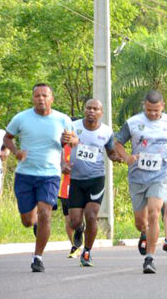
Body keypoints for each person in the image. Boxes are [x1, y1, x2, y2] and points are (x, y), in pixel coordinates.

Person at [1, 84, 75, 272]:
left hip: (50, 174)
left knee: (45, 214)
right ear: (32, 98)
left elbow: (74, 140)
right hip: (25, 174)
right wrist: (16, 151)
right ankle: (32, 218)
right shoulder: (21, 118)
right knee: (27, 221)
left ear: (52, 98)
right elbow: (7, 138)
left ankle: (38, 257)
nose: (41, 99)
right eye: (37, 96)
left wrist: (70, 140)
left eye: (44, 95)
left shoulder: (62, 119)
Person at [114, 90, 167, 274]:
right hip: (137, 176)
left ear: (163, 107)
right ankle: (144, 233)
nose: (153, 114)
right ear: (144, 106)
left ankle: (150, 258)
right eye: (149, 110)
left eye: (156, 110)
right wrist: (127, 157)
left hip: (160, 175)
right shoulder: (133, 122)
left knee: (154, 213)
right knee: (140, 222)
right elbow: (117, 143)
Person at [64, 99, 115, 267]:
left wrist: (120, 158)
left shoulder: (107, 131)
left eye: (95, 109)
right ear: (84, 110)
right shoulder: (73, 126)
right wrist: (62, 163)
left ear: (101, 112)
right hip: (76, 180)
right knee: (74, 221)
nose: (91, 111)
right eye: (88, 108)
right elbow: (59, 145)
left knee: (92, 215)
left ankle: (87, 252)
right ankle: (79, 229)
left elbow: (111, 152)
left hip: (96, 179)